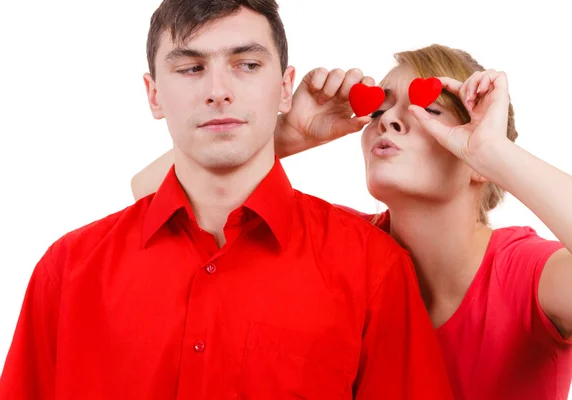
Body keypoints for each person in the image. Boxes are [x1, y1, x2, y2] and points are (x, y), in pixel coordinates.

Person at [0, 1, 454, 399]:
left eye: (247, 65)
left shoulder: (371, 268)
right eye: (191, 68)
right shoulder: (68, 272)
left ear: (284, 87)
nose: (218, 91)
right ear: (154, 95)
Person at [132, 44, 572, 399]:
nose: (389, 122)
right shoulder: (345, 249)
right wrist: (283, 134)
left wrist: (493, 154)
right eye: (378, 111)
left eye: (428, 111)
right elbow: (153, 196)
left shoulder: (529, 275)